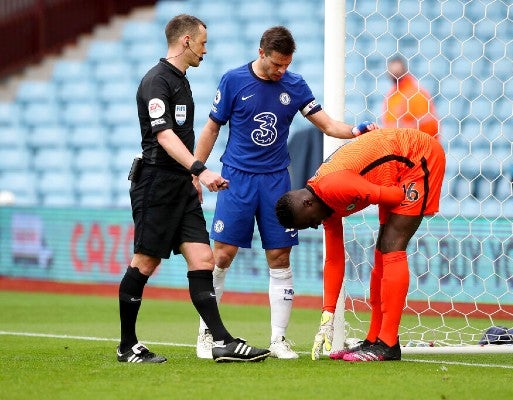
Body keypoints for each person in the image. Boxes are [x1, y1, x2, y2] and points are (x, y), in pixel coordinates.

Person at [194, 25, 377, 359]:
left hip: (277, 181)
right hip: (237, 178)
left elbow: (326, 125)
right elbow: (211, 127)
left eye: (287, 65)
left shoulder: (294, 84)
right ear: (262, 52)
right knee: (221, 256)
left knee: (279, 257)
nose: (282, 71)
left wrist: (355, 130)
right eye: (277, 64)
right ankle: (207, 334)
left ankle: (278, 339)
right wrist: (197, 169)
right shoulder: (233, 80)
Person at [117, 14, 270, 363]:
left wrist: (190, 180)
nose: (205, 49)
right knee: (144, 261)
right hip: (155, 184)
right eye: (202, 42)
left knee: (203, 259)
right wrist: (199, 170)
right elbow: (164, 135)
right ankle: (127, 347)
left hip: (180, 186)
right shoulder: (156, 81)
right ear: (185, 41)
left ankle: (221, 341)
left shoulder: (181, 81)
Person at [275, 128, 446, 362]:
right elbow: (333, 260)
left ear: (307, 204)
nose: (315, 226)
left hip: (418, 157)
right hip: (394, 171)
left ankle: (388, 343)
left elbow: (396, 196)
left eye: (309, 223)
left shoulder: (335, 186)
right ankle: (374, 338)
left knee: (392, 246)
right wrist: (328, 312)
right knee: (381, 252)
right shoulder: (324, 206)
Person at [381, 55, 439, 138]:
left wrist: (405, 128)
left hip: (416, 145)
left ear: (405, 71)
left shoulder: (417, 94)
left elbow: (429, 123)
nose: (394, 74)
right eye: (392, 72)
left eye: (397, 72)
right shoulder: (391, 96)